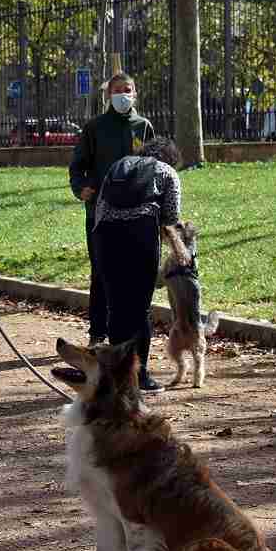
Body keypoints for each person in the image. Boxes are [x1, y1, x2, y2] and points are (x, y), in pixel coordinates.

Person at [91, 136, 190, 394]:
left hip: (105, 237)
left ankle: (116, 375)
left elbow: (101, 207)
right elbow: (170, 218)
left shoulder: (119, 165)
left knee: (116, 307)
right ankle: (140, 375)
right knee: (139, 310)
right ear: (171, 158)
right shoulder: (167, 172)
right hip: (140, 238)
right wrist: (178, 249)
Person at [69, 72, 155, 348]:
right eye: (117, 90)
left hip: (135, 214)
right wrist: (81, 188)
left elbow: (154, 165)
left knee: (132, 273)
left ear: (135, 93)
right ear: (108, 95)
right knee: (102, 271)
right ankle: (98, 331)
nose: (122, 95)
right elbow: (77, 166)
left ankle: (128, 333)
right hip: (100, 214)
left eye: (127, 90)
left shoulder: (143, 127)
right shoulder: (95, 127)